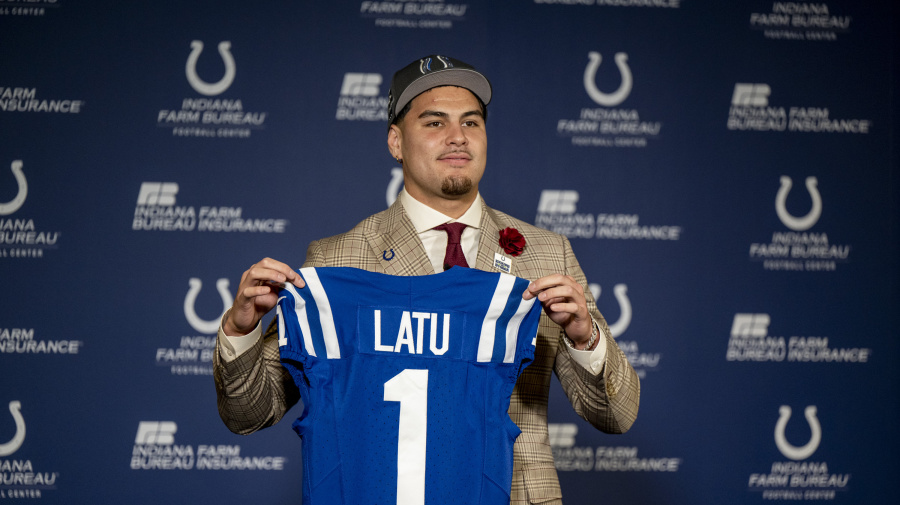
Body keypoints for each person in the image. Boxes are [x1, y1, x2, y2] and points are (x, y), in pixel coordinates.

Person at [213, 54, 640, 504]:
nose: (458, 138)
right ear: (396, 142)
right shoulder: (339, 258)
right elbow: (250, 414)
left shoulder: (548, 253)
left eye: (471, 123)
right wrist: (240, 331)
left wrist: (584, 336)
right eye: (435, 123)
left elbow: (618, 414)